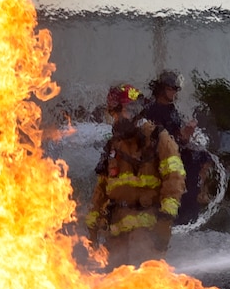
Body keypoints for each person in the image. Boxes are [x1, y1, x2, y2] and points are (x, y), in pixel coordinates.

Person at [86, 83, 184, 266]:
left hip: (147, 236)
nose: (115, 119)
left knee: (144, 287)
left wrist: (166, 217)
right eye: (113, 114)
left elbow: (175, 178)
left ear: (133, 110)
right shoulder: (114, 146)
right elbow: (102, 187)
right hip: (115, 237)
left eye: (118, 112)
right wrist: (93, 220)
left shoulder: (158, 139)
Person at [138, 69, 212, 223]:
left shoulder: (171, 109)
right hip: (162, 155)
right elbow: (161, 139)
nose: (174, 93)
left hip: (174, 149)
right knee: (192, 163)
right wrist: (184, 135)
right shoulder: (154, 110)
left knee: (203, 156)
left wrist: (187, 134)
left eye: (176, 89)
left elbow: (176, 135)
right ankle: (186, 207)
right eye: (171, 89)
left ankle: (199, 195)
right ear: (162, 89)